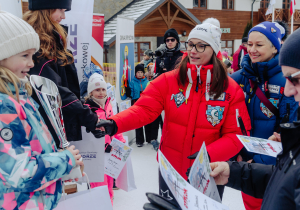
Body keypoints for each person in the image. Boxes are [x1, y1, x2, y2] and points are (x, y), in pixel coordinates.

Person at [97, 18, 252, 206]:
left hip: (208, 172)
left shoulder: (230, 89)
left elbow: (236, 135)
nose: (193, 50)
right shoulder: (168, 81)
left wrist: (207, 155)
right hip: (170, 171)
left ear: (214, 49)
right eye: (191, 44)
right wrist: (115, 123)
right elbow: (144, 109)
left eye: (201, 46)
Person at [207, 28, 300, 210]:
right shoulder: (236, 79)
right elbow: (224, 123)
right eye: (249, 44)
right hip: (249, 167)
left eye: (259, 44)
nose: (252, 49)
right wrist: (234, 163)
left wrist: (261, 161)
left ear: (275, 48)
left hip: (268, 162)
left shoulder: (283, 82)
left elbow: (288, 125)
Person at [0, 10, 83, 210]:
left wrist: (64, 158)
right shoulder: (5, 107)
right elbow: (20, 172)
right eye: (24, 55)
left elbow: (35, 148)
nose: (31, 63)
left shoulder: (20, 95)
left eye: (32, 55)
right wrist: (66, 159)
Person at [23, 0, 103, 147]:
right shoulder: (33, 42)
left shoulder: (53, 38)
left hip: (54, 123)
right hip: (44, 128)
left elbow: (65, 87)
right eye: (61, 10)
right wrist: (88, 117)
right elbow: (52, 88)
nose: (63, 16)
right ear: (47, 8)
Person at [84, 73, 125, 206]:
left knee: (109, 186)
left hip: (110, 153)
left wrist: (121, 143)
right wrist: (102, 147)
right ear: (90, 92)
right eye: (97, 90)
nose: (101, 93)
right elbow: (88, 137)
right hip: (96, 156)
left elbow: (115, 126)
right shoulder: (87, 110)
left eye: (103, 89)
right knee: (98, 188)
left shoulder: (108, 104)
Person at [129, 64, 149, 147]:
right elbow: (131, 93)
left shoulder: (147, 82)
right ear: (135, 73)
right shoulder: (132, 82)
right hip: (136, 102)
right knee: (138, 122)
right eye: (138, 72)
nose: (140, 74)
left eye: (141, 72)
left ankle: (149, 138)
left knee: (147, 121)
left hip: (146, 102)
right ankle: (139, 141)